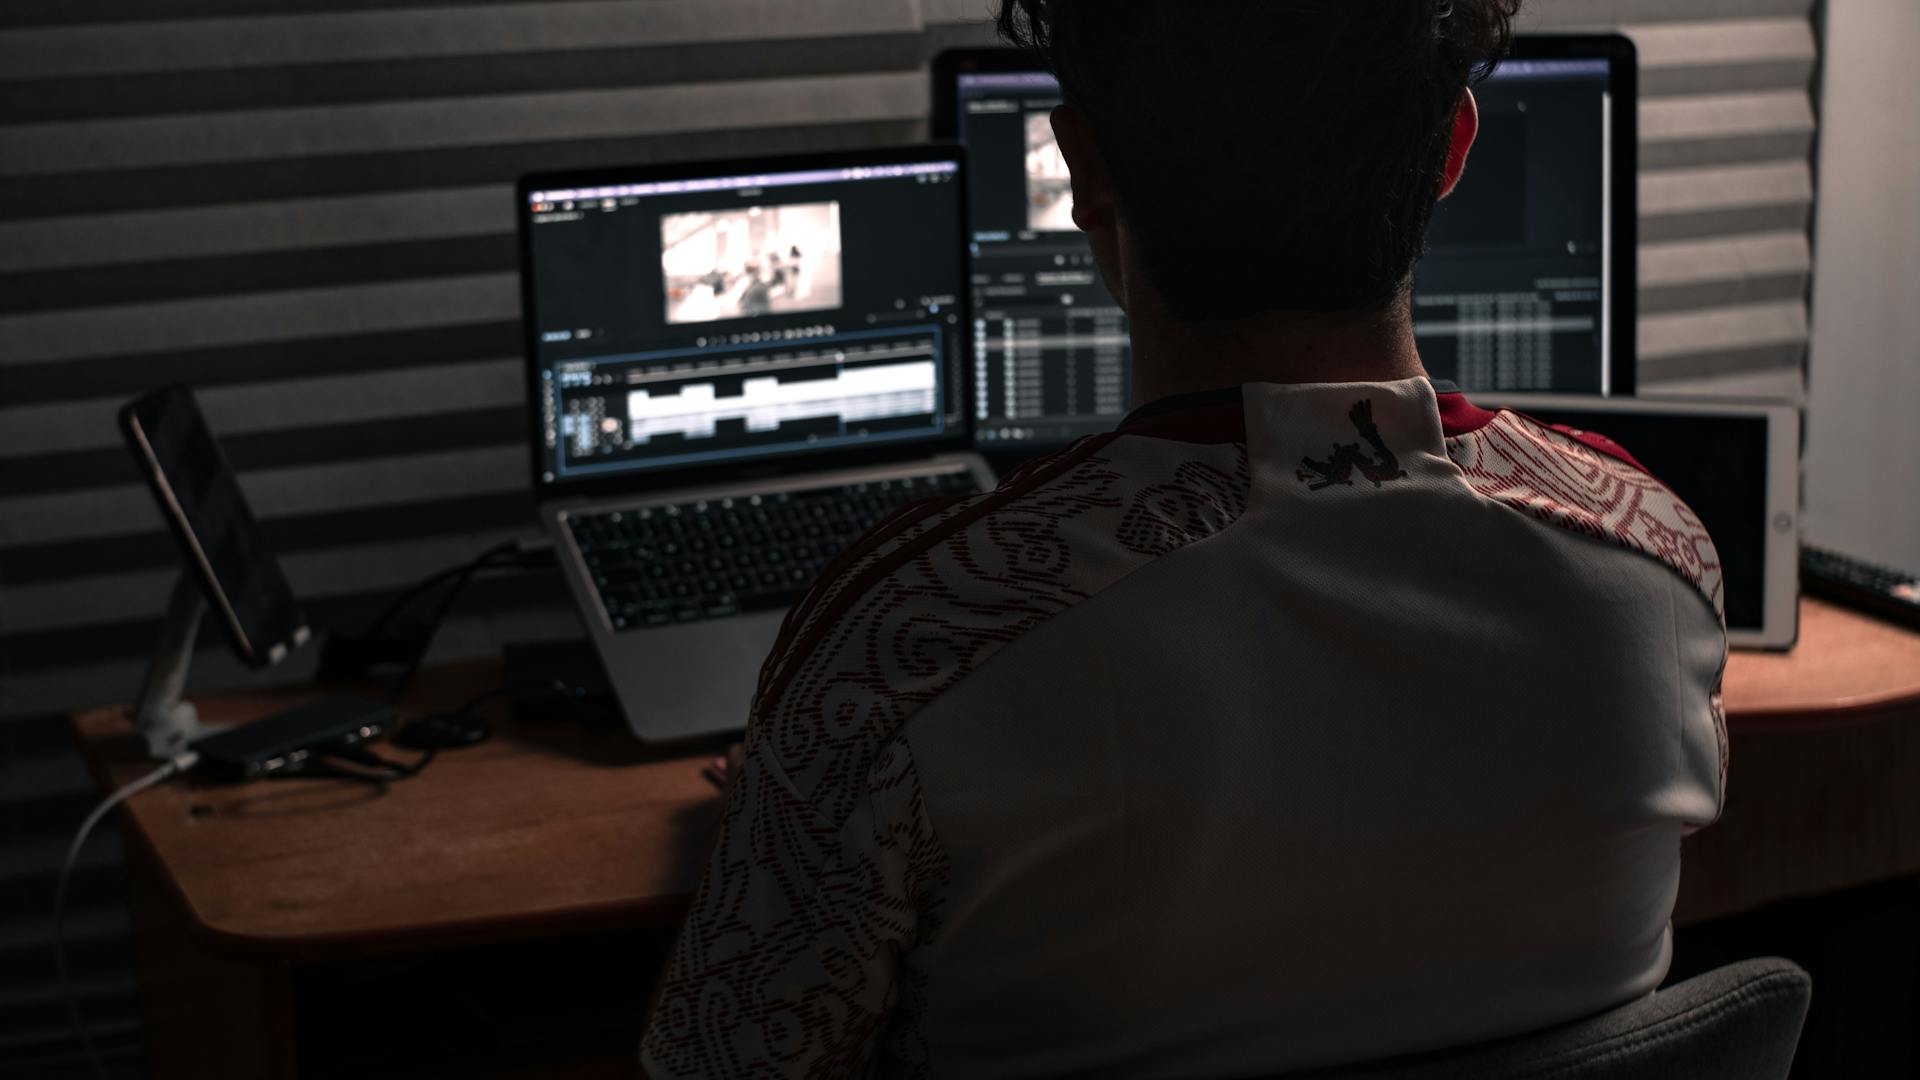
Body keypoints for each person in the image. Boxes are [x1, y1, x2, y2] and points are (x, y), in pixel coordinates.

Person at [640, 1, 1726, 1076]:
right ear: (1452, 147)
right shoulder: (1658, 562)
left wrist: (809, 798)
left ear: (1086, 169)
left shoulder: (903, 649)